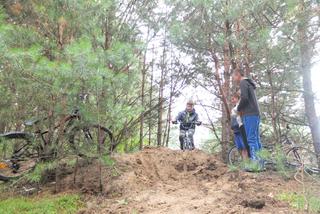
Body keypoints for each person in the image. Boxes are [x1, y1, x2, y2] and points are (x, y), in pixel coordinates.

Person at [233, 69, 262, 161]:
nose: (234, 79)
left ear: (238, 75)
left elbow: (244, 98)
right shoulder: (248, 83)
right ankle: (260, 162)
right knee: (256, 139)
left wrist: (238, 109)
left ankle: (255, 163)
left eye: (234, 77)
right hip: (255, 113)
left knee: (251, 139)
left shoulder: (243, 82)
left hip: (250, 114)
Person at [231, 93, 248, 159]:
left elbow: (241, 116)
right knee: (240, 147)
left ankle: (247, 163)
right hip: (235, 129)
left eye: (234, 99)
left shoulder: (240, 107)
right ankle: (245, 163)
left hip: (240, 127)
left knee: (244, 147)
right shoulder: (234, 108)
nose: (232, 100)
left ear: (238, 99)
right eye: (231, 99)